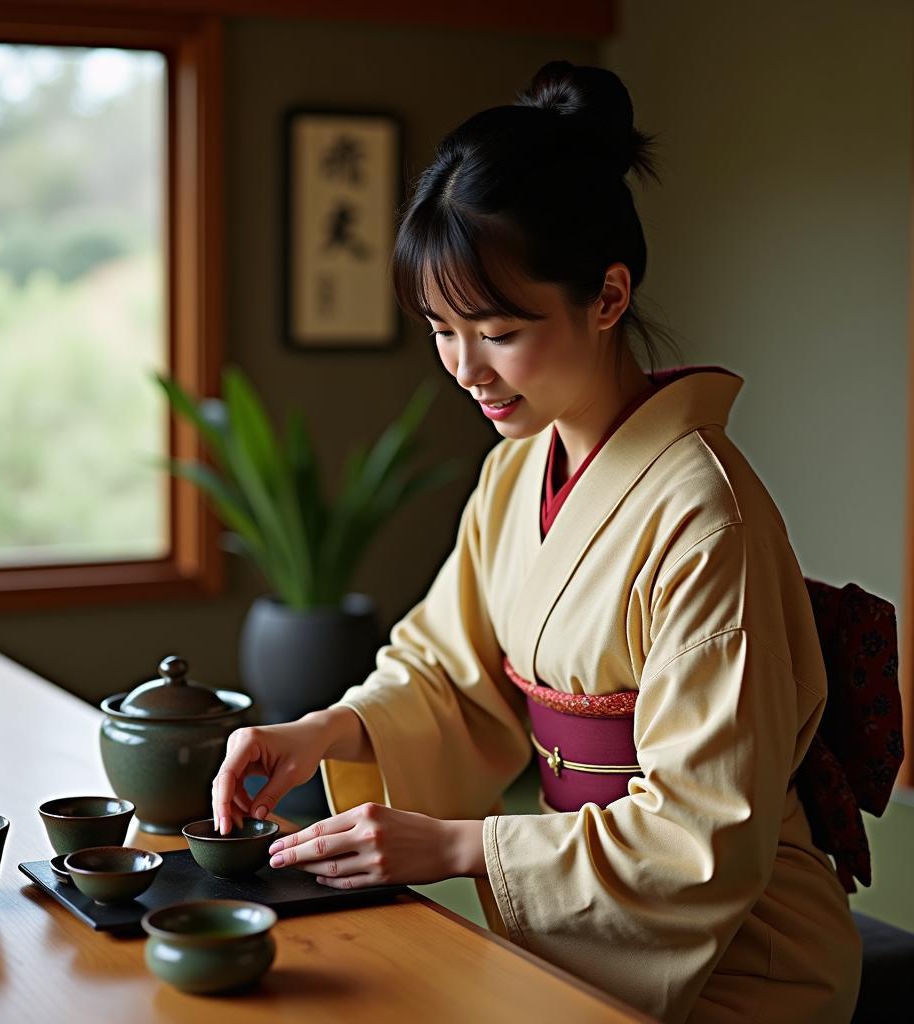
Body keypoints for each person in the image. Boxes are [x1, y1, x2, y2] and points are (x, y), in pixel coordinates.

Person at [210, 60, 862, 1023]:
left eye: (498, 330)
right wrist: (323, 731)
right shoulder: (518, 469)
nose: (465, 370)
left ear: (607, 296)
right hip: (583, 924)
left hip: (738, 956)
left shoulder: (705, 516)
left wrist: (455, 845)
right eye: (441, 329)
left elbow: (702, 839)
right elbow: (445, 670)